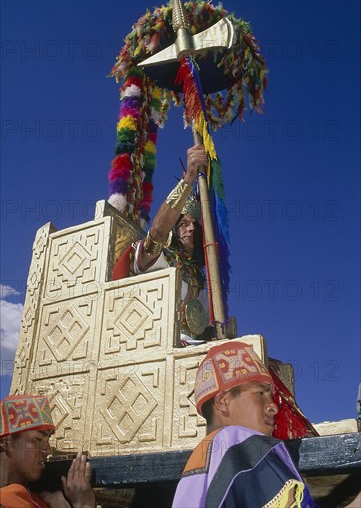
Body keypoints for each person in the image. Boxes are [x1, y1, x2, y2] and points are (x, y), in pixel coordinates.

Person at [172, 341, 316, 508]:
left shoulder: (200, 461)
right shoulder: (242, 442)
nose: (274, 407)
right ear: (223, 401)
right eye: (260, 393)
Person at [112, 143, 213, 344]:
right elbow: (157, 232)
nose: (191, 229)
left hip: (193, 343)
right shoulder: (158, 255)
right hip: (155, 341)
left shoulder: (201, 279)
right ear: (174, 230)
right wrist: (189, 179)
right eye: (183, 224)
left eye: (194, 225)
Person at [0, 394, 95, 508]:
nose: (48, 450)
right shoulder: (7, 500)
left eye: (48, 439)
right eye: (38, 439)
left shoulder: (42, 501)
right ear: (6, 442)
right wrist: (84, 505)